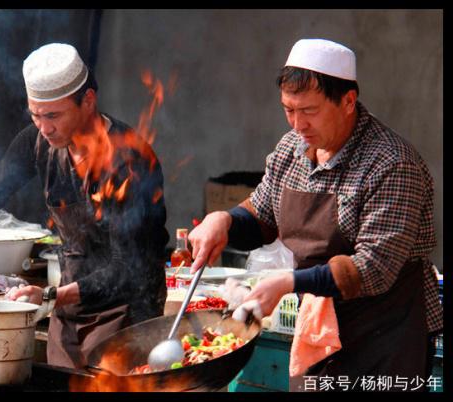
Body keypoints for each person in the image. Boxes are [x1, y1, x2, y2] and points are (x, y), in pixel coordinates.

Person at [188, 39, 442, 390]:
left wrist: (289, 283)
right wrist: (226, 221)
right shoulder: (291, 149)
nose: (297, 124)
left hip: (385, 336)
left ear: (348, 101)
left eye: (309, 110)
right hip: (318, 334)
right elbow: (262, 214)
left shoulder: (393, 163)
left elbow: (373, 269)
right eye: (288, 110)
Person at [0, 43, 170, 369]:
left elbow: (128, 269)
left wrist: (49, 295)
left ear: (88, 102)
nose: (44, 126)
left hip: (127, 313)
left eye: (53, 115)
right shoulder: (37, 141)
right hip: (69, 310)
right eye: (35, 115)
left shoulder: (128, 161)